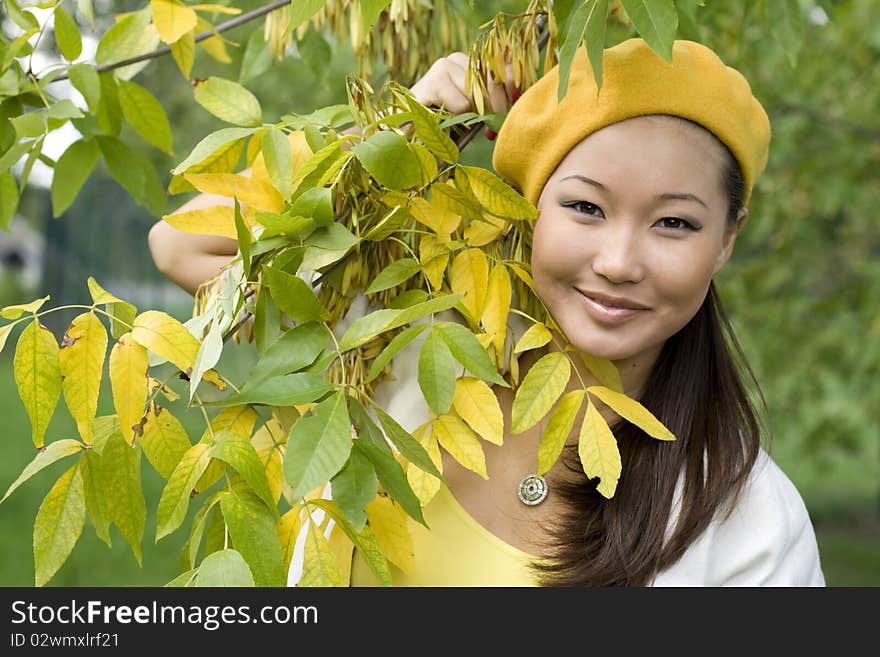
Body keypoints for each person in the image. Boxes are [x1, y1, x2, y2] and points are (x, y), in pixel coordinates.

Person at [149, 38, 826, 587]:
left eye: (674, 222)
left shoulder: (754, 525)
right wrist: (391, 136)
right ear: (527, 208)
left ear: (729, 236)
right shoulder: (402, 343)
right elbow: (181, 245)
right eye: (585, 207)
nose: (620, 260)